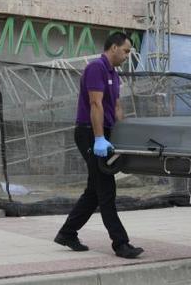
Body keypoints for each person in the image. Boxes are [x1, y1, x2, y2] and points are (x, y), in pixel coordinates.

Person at [54, 32, 144, 259]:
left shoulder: (114, 74)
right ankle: (120, 244)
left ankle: (67, 233)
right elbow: (95, 104)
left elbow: (115, 106)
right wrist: (98, 139)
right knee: (106, 189)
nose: (126, 55)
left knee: (94, 191)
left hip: (104, 133)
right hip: (89, 133)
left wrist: (123, 135)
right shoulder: (96, 68)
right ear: (113, 47)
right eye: (125, 50)